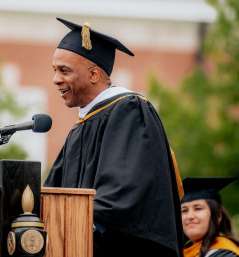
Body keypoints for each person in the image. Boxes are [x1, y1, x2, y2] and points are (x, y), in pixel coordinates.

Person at [44, 17, 184, 257]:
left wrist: (77, 221)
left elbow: (124, 195)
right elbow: (53, 194)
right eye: (55, 70)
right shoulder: (80, 128)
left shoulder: (129, 109)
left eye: (64, 71)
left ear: (94, 74)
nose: (56, 79)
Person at [181, 177, 239, 257]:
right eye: (184, 210)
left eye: (198, 208)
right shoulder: (184, 252)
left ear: (218, 216)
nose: (190, 216)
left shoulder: (225, 254)